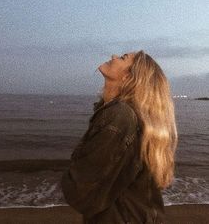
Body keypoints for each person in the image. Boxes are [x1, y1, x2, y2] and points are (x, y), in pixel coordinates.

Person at [61, 50, 178, 223]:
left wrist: (68, 179)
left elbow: (81, 192)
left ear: (129, 77)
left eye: (123, 58)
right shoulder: (125, 114)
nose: (113, 56)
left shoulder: (120, 116)